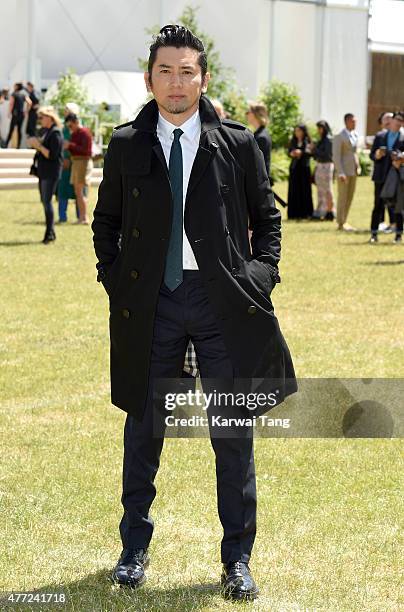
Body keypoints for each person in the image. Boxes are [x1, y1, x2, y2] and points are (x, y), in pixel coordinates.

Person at [92, 24, 296, 602]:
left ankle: (237, 559)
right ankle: (133, 548)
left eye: (187, 72)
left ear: (203, 78)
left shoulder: (237, 143)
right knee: (145, 428)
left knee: (231, 434)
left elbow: (269, 221)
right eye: (165, 71)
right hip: (152, 306)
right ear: (150, 77)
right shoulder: (128, 143)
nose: (177, 83)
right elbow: (105, 222)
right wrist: (117, 282)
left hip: (220, 304)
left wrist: (259, 277)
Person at [27, 107, 63, 244]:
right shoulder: (47, 132)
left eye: (42, 117)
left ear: (50, 118)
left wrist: (38, 146)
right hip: (44, 172)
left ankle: (49, 234)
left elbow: (53, 155)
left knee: (47, 202)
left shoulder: (55, 133)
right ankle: (51, 233)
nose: (40, 120)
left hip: (50, 173)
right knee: (45, 201)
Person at [369, 111, 396, 240]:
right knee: (378, 205)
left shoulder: (400, 136)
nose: (388, 122)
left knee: (395, 205)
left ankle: (396, 229)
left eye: (390, 119)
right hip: (380, 176)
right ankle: (374, 232)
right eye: (385, 119)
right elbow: (372, 155)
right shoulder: (379, 136)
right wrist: (377, 155)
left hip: (395, 176)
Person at [379, 112, 404, 244]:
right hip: (391, 174)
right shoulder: (383, 135)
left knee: (400, 206)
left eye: (401, 120)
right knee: (395, 205)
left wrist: (401, 158)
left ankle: (399, 234)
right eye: (397, 120)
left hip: (400, 173)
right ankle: (396, 233)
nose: (399, 123)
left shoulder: (403, 136)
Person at [332, 113, 360, 231]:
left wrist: (357, 166)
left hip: (353, 171)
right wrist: (341, 172)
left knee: (350, 196)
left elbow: (354, 153)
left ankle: (345, 220)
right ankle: (340, 222)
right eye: (353, 121)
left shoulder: (355, 135)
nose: (355, 123)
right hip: (343, 172)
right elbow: (336, 156)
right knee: (342, 197)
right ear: (347, 121)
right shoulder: (339, 136)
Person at [64, 113, 93, 224]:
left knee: (80, 191)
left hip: (83, 162)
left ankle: (84, 217)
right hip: (76, 162)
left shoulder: (85, 133)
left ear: (76, 122)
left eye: (71, 126)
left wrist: (70, 145)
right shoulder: (75, 133)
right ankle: (81, 217)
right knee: (78, 191)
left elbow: (86, 151)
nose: (70, 128)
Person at [57, 103, 80, 223]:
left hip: (77, 163)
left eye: (68, 110)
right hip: (65, 164)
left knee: (79, 191)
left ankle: (80, 216)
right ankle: (62, 217)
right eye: (65, 110)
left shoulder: (80, 128)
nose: (66, 112)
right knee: (63, 190)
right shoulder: (62, 128)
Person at [287, 124, 313, 219]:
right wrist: (292, 153)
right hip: (294, 168)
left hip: (304, 169)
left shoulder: (308, 141)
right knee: (294, 190)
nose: (297, 133)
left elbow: (310, 153)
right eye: (296, 131)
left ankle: (306, 213)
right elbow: (289, 152)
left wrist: (301, 152)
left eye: (299, 131)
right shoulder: (293, 141)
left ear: (303, 131)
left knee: (305, 190)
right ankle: (294, 214)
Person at [312, 120, 335, 221]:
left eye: (320, 128)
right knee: (320, 190)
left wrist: (315, 149)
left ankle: (330, 211)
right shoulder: (321, 140)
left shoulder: (329, 140)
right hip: (320, 165)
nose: (319, 130)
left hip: (327, 165)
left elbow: (327, 155)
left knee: (327, 189)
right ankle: (321, 211)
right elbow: (316, 155)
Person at [246, 102, 272, 179]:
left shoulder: (261, 137)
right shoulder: (259, 133)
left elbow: (257, 164)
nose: (246, 114)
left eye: (248, 112)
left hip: (259, 181)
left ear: (254, 114)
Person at [5, 82, 32, 149]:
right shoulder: (23, 94)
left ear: (17, 87)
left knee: (11, 129)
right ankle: (18, 146)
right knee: (19, 130)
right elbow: (30, 102)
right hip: (21, 114)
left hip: (15, 114)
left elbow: (11, 103)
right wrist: (26, 111)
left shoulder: (14, 94)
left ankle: (6, 144)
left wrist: (9, 112)